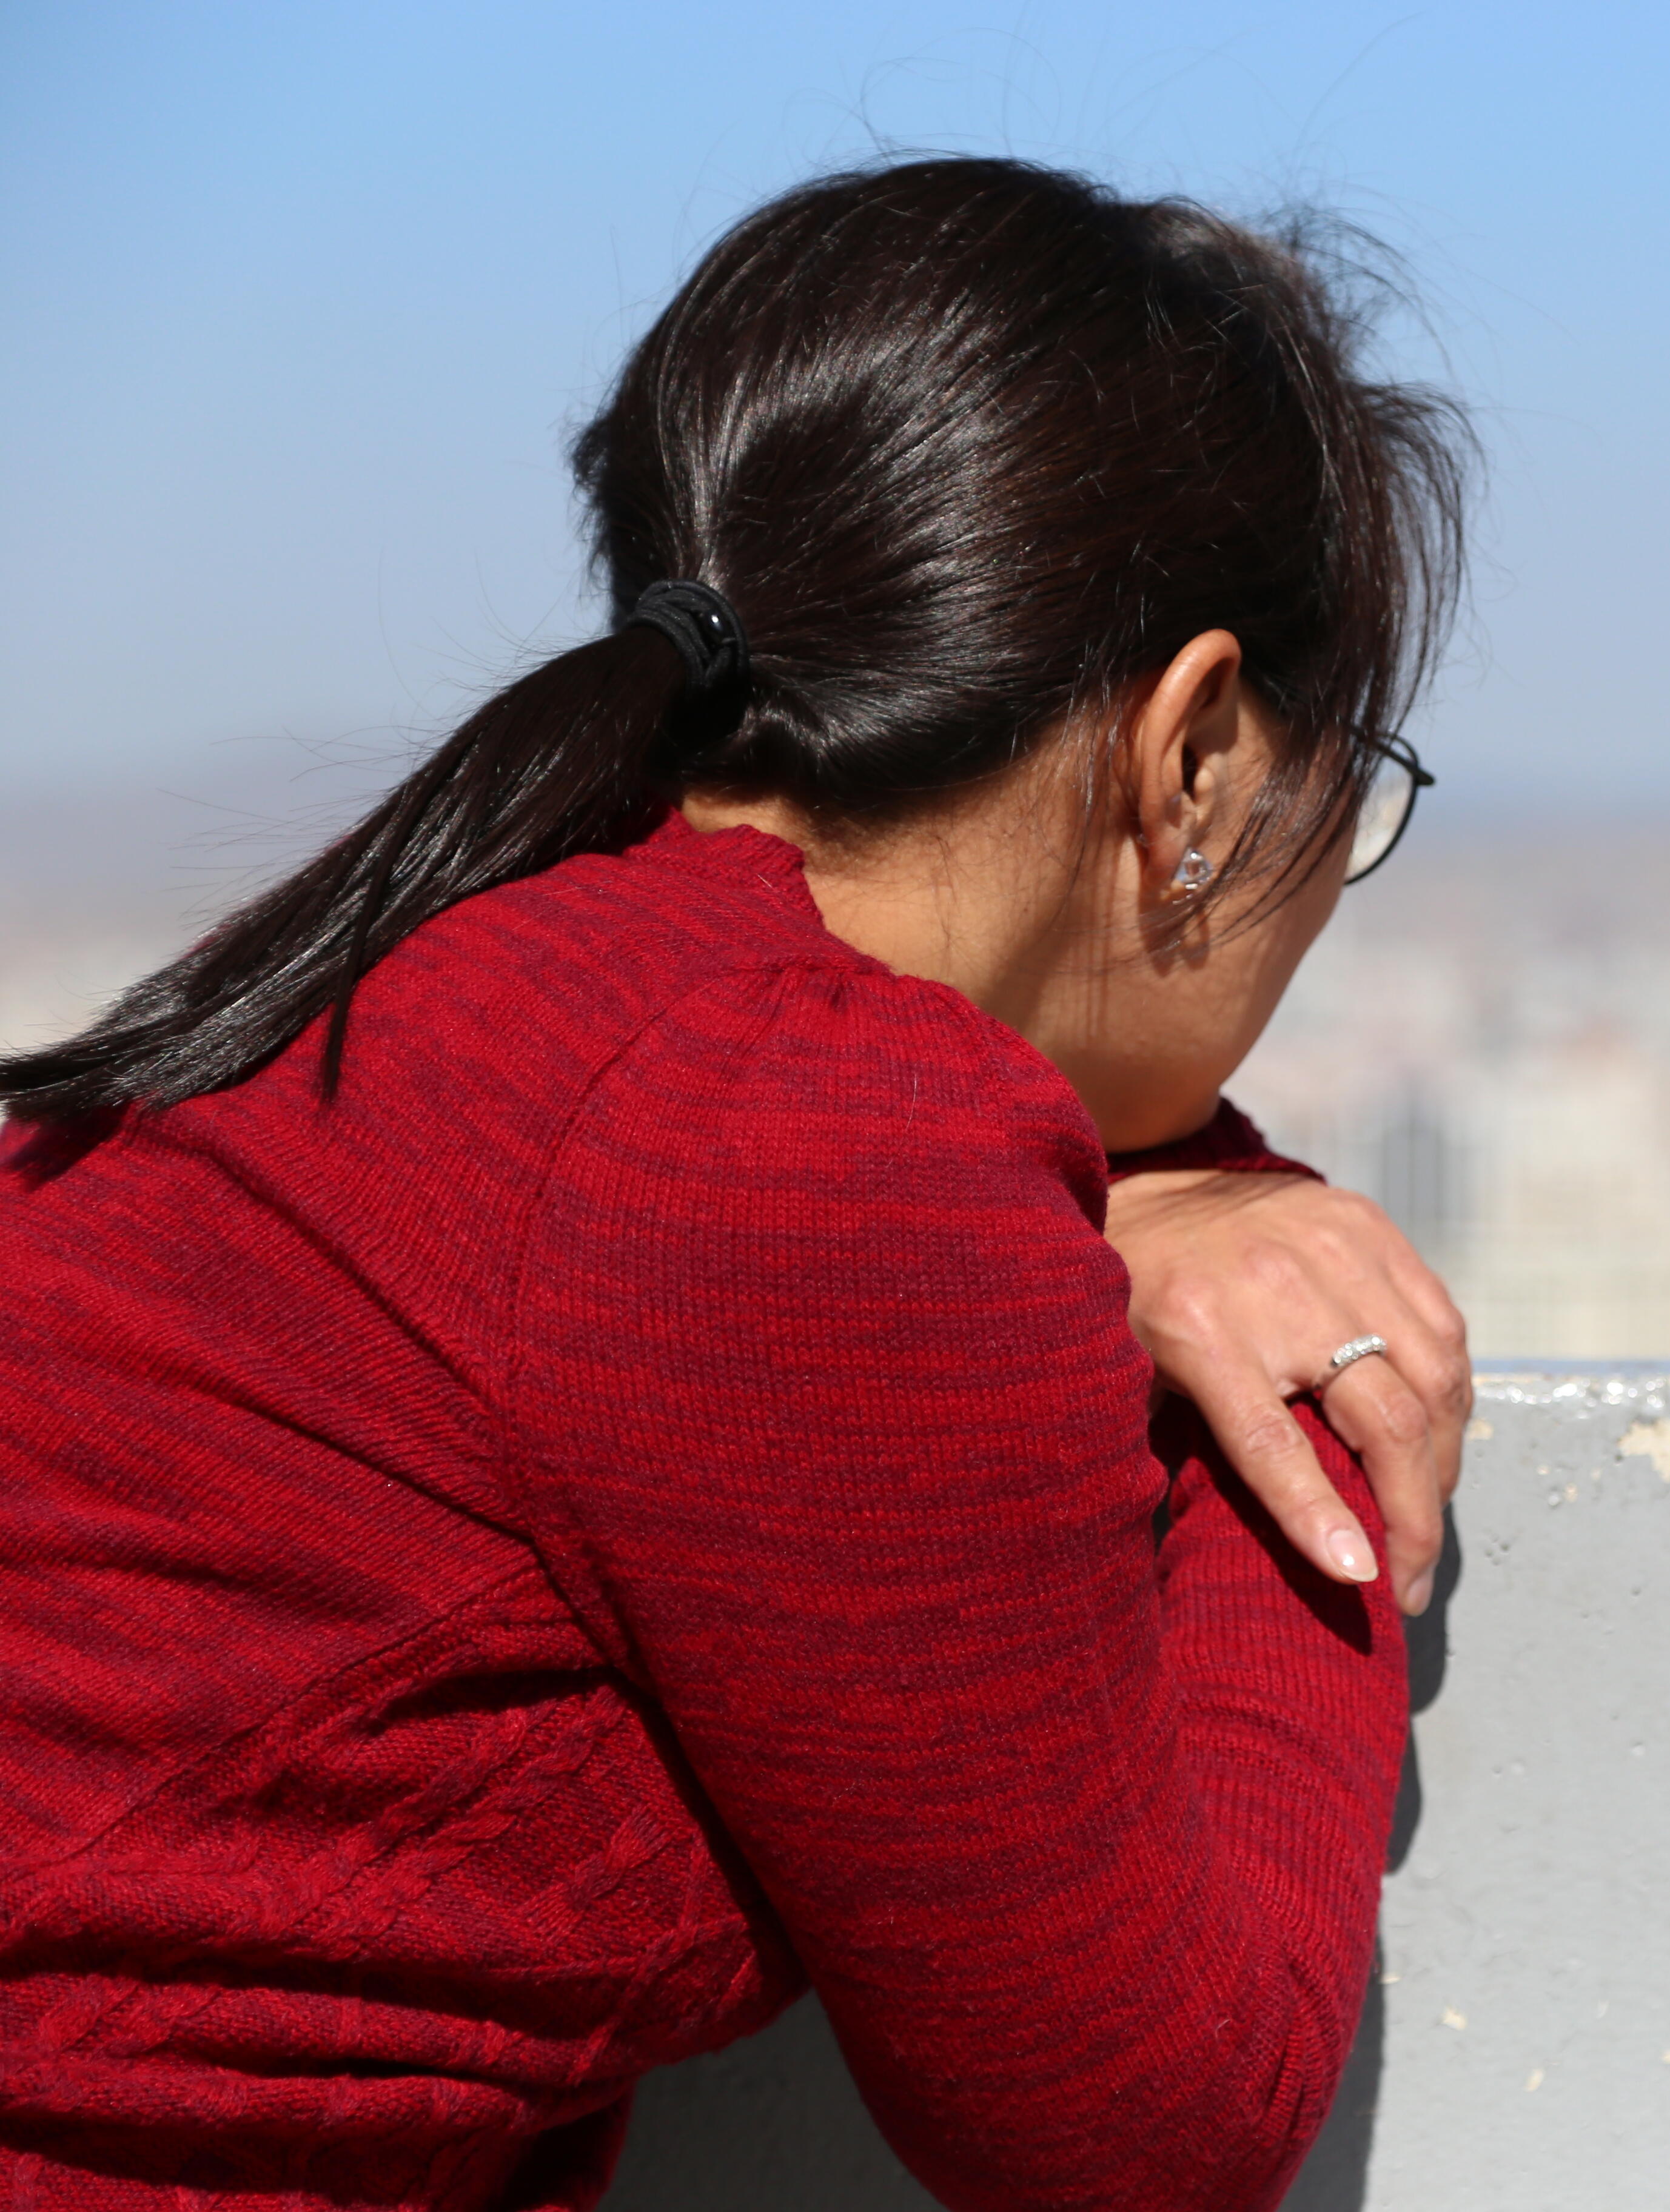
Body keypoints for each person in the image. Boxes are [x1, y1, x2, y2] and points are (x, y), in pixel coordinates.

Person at [0, 157, 1475, 2209]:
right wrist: (1300, 1391)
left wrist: (1125, 1201)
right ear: (1199, 755)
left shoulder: (513, 984)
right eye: (1354, 785)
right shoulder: (810, 1150)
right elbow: (1150, 2131)